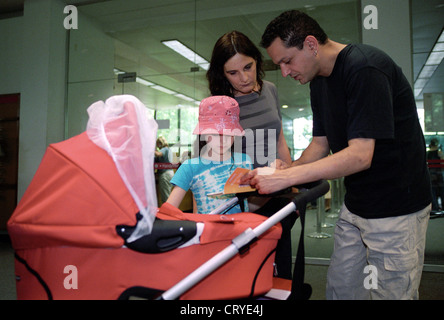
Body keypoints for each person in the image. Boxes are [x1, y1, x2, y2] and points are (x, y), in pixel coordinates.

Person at [242, 10, 432, 299]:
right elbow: (320, 144)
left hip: (396, 208)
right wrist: (283, 171)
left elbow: (360, 155)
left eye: (287, 61)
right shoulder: (318, 81)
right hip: (357, 204)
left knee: (391, 294)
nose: (284, 72)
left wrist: (288, 177)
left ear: (311, 45)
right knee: (341, 290)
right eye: (279, 64)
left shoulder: (365, 68)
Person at [206, 31, 296, 279]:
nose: (244, 78)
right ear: (221, 73)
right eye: (233, 73)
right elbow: (214, 164)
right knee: (245, 281)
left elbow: (279, 138)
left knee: (280, 277)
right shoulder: (218, 105)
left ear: (258, 60)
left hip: (277, 198)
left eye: (248, 66)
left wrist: (290, 177)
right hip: (243, 205)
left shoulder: (270, 90)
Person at [167, 95, 252, 215]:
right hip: (208, 231)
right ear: (204, 134)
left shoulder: (244, 161)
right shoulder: (190, 167)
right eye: (215, 134)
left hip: (244, 231)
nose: (223, 140)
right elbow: (169, 211)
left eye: (228, 133)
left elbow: (249, 204)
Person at [155, 136, 174, 204]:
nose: (157, 146)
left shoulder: (165, 149)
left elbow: (158, 154)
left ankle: (168, 213)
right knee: (167, 195)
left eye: (157, 144)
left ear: (160, 143)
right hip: (169, 173)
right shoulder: (168, 150)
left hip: (165, 174)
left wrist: (151, 149)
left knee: (165, 197)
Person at [427, 138, 444, 212]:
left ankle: (435, 207)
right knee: (442, 191)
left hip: (431, 174)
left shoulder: (428, 153)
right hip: (439, 174)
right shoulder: (439, 153)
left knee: (433, 191)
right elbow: (442, 163)